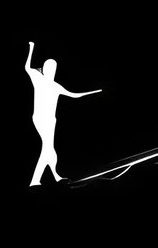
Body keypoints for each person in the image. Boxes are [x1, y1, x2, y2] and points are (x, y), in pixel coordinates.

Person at [26, 41, 102, 186]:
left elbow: (74, 95)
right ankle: (36, 181)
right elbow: (27, 68)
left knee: (49, 150)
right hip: (40, 119)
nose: (52, 70)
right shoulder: (38, 79)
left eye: (54, 68)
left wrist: (92, 92)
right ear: (45, 69)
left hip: (51, 120)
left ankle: (52, 176)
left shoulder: (56, 86)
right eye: (49, 67)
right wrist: (31, 48)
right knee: (47, 149)